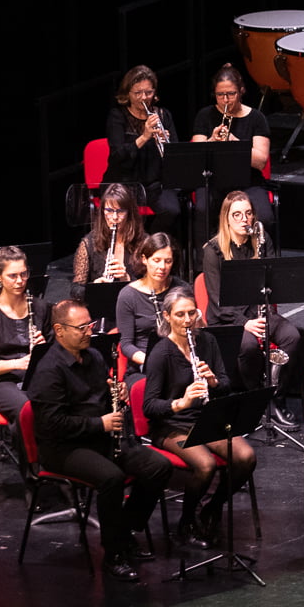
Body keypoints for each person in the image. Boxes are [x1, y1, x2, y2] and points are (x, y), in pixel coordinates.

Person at [26, 299, 173, 581]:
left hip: (99, 439)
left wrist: (117, 397)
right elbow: (51, 425)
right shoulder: (49, 371)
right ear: (59, 330)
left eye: (90, 325)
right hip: (63, 448)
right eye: (81, 327)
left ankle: (124, 529)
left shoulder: (93, 357)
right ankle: (113, 553)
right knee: (111, 478)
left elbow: (102, 400)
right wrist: (100, 423)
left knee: (159, 466)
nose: (88, 332)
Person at [143, 286, 255, 547]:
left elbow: (227, 383)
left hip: (205, 418)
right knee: (205, 466)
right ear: (167, 316)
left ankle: (211, 507)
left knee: (247, 457)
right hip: (171, 425)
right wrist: (181, 403)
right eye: (180, 314)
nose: (187, 320)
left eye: (191, 313)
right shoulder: (161, 353)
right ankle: (186, 522)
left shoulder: (207, 341)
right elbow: (149, 406)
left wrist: (213, 381)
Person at [202, 191, 301, 394]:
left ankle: (276, 392)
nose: (244, 219)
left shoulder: (262, 242)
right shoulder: (213, 251)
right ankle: (255, 395)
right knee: (248, 346)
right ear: (226, 219)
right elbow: (216, 299)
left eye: (248, 213)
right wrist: (244, 323)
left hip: (257, 312)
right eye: (236, 214)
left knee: (292, 336)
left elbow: (276, 284)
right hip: (227, 319)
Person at [189, 63, 275, 242]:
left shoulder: (256, 118)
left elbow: (260, 161)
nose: (226, 100)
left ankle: (258, 262)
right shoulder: (205, 115)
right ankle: (203, 266)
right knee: (203, 210)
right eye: (220, 95)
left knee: (265, 217)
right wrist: (212, 141)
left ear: (241, 91)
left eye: (231, 94)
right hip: (214, 180)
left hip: (248, 181)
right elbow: (195, 155)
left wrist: (234, 142)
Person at [0, 246, 50, 422]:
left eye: (24, 274)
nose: (20, 281)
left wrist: (43, 347)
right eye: (12, 276)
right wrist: (18, 363)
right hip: (1, 382)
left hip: (36, 377)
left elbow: (56, 350)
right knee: (27, 409)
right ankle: (26, 449)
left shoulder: (40, 307)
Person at [103, 64, 182, 236]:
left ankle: (149, 244)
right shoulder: (118, 117)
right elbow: (117, 157)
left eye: (148, 92)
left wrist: (166, 144)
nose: (143, 98)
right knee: (123, 215)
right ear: (127, 94)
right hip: (124, 181)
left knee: (172, 210)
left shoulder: (163, 115)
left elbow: (176, 156)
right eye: (137, 93)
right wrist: (144, 136)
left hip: (155, 183)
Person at [114, 233, 178, 376]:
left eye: (168, 261)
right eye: (156, 260)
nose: (162, 267)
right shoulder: (128, 295)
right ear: (144, 259)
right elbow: (126, 344)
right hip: (143, 363)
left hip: (178, 358)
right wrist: (151, 360)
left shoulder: (181, 289)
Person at [73, 183, 147, 298]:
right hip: (101, 304)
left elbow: (154, 286)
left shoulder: (144, 242)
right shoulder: (89, 243)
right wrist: (94, 286)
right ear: (102, 211)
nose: (115, 217)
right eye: (109, 210)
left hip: (134, 306)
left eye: (121, 211)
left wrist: (127, 279)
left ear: (129, 213)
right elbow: (75, 290)